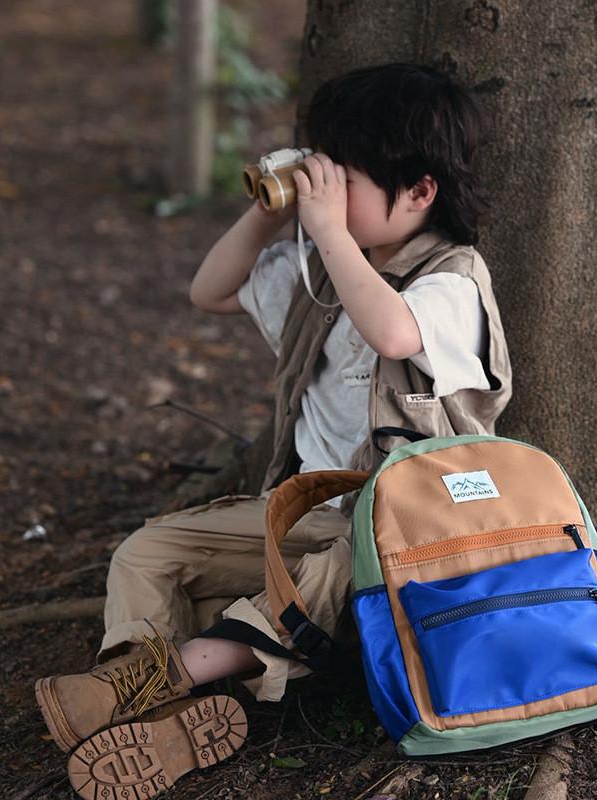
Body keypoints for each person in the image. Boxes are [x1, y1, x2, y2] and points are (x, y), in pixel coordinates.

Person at [34, 62, 512, 798]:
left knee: (329, 577)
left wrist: (325, 228)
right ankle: (154, 703)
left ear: (419, 191)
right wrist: (268, 209)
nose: (327, 194)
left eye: (346, 180)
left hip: (404, 540)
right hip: (300, 511)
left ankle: (158, 682)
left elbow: (390, 331)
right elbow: (210, 290)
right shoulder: (316, 275)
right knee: (150, 552)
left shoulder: (453, 281)